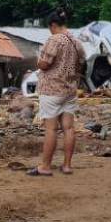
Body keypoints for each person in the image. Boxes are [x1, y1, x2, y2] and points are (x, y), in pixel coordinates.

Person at [28, 10, 85, 176]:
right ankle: (67, 166)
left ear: (53, 25)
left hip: (52, 89)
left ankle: (45, 166)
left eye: (50, 27)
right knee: (68, 128)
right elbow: (81, 63)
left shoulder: (55, 40)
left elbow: (44, 64)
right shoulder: (76, 42)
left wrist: (38, 61)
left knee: (51, 129)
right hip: (70, 89)